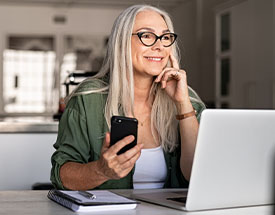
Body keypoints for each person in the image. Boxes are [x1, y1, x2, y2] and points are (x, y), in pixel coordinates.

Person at [51, 4, 206, 190]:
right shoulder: (88, 98)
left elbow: (200, 175)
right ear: (122, 42)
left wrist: (183, 105)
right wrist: (101, 171)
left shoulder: (187, 98)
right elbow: (62, 176)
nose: (159, 46)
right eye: (146, 35)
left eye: (165, 37)